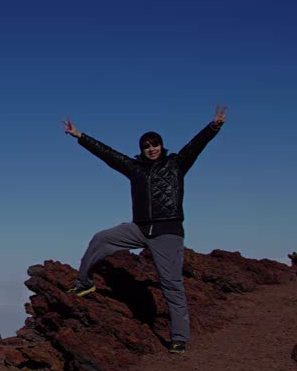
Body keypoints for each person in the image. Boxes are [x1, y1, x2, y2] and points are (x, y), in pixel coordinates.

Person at [62, 106, 227, 354]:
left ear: (162, 146)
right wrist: (81, 136)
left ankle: (179, 338)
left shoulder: (176, 164)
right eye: (147, 146)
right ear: (142, 149)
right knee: (101, 238)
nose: (152, 149)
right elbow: (109, 155)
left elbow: (196, 145)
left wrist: (213, 126)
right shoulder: (134, 168)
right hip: (139, 228)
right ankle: (83, 283)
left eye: (155, 145)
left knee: (171, 285)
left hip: (167, 232)